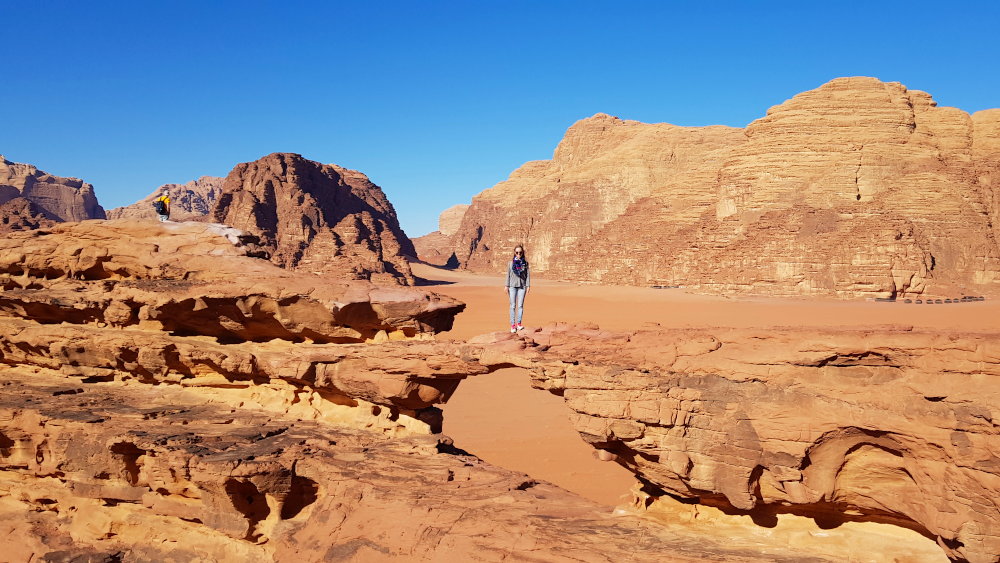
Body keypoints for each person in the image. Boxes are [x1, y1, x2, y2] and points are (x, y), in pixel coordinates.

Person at [505, 244, 530, 333]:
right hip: (512, 286)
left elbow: (527, 276)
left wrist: (528, 286)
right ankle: (513, 325)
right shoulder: (510, 263)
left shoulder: (525, 263)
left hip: (522, 286)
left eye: (520, 252)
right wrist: (506, 286)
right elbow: (507, 275)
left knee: (520, 306)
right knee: (512, 306)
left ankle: (519, 324)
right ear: (514, 253)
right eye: (517, 252)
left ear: (522, 253)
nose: (518, 254)